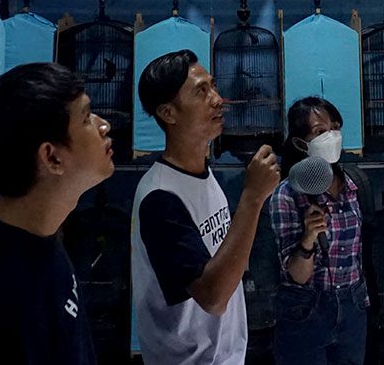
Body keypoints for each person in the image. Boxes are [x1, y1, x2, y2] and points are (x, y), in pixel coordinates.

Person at [0, 63, 114, 365]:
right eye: (87, 118)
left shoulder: (35, 230)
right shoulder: (4, 297)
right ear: (51, 157)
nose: (104, 126)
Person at [133, 49, 281, 365]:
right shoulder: (160, 197)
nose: (217, 99)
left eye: (213, 86)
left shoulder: (202, 172)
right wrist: (253, 197)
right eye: (201, 91)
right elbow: (213, 298)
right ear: (168, 113)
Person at [270, 97, 369, 365]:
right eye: (320, 131)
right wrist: (308, 239)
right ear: (300, 143)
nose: (332, 136)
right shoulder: (287, 195)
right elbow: (297, 276)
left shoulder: (355, 185)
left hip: (352, 306)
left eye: (334, 127)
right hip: (306, 310)